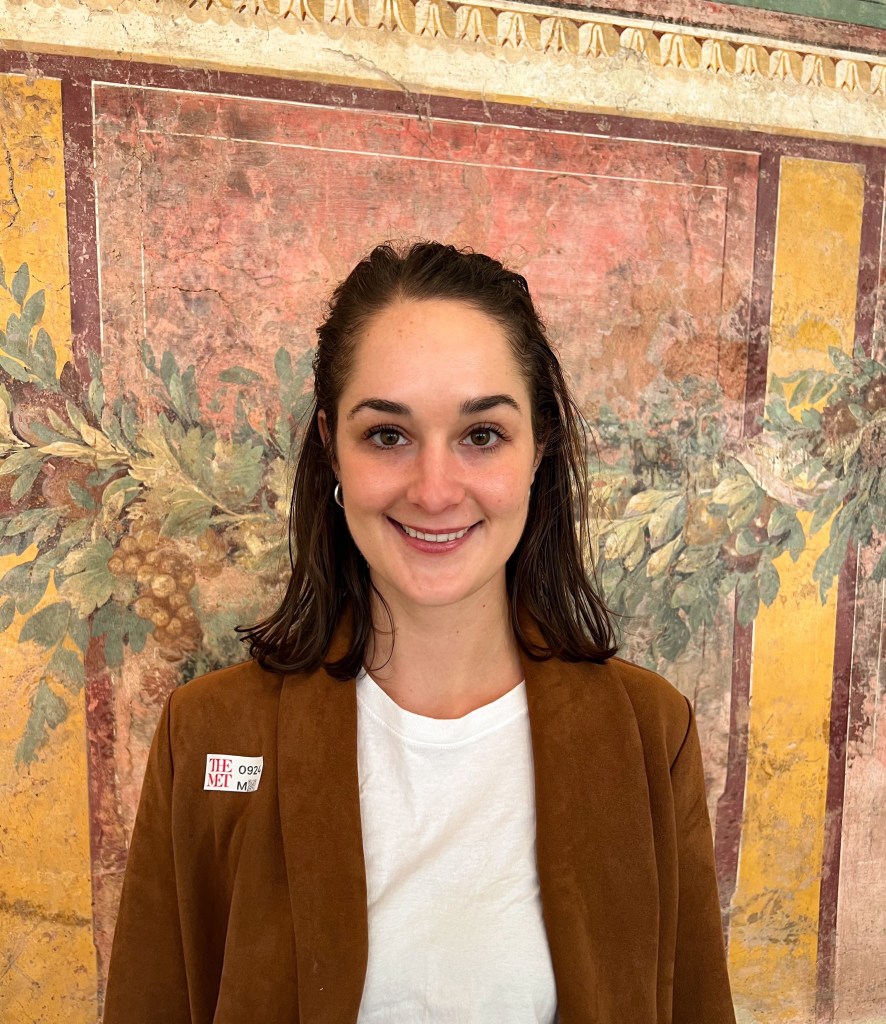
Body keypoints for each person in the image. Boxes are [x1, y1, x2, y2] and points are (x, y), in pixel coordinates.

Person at [103, 242, 736, 1023]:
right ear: (332, 446)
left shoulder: (648, 733)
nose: (435, 491)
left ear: (539, 449)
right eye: (388, 436)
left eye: (481, 436)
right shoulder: (206, 734)